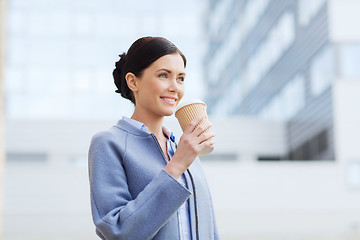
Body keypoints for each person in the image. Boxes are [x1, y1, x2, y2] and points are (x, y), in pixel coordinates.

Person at [88, 36, 219, 240]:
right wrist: (176, 166)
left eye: (181, 78)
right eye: (163, 75)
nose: (175, 87)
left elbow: (210, 229)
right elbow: (118, 232)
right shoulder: (108, 143)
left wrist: (183, 157)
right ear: (133, 81)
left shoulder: (184, 148)